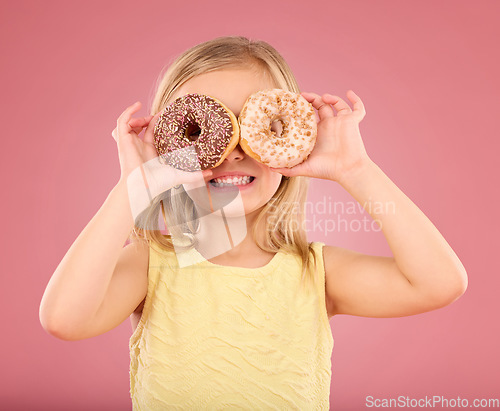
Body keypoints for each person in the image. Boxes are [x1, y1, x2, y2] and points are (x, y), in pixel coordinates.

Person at [39, 36, 468, 410]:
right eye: (205, 127)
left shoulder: (315, 272)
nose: (232, 149)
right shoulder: (151, 266)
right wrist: (135, 186)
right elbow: (65, 319)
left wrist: (356, 169)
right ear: (171, 140)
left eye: (255, 125)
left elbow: (438, 283)